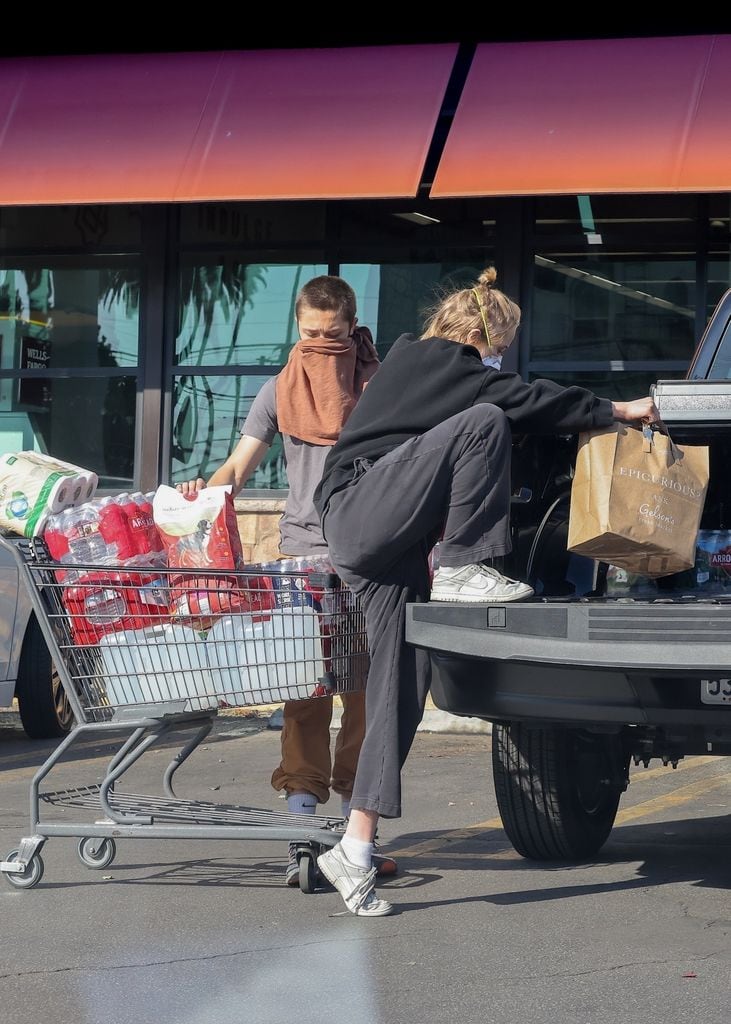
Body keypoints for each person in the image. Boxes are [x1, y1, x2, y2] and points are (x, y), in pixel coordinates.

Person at [313, 265, 663, 917]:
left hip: (386, 539)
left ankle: (353, 850)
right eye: (501, 345)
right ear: (482, 333)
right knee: (482, 423)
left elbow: (516, 403)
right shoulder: (429, 357)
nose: (502, 360)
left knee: (400, 686)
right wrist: (618, 410)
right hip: (362, 509)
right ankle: (463, 567)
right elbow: (521, 400)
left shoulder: (436, 374)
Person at [177, 274, 397, 886]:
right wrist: (205, 493)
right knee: (305, 680)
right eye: (308, 335)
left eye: (331, 336)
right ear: (296, 331)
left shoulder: (377, 387)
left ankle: (359, 815)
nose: (320, 346)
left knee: (365, 689)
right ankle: (303, 808)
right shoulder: (279, 389)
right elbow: (240, 464)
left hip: (368, 550)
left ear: (351, 330)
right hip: (303, 549)